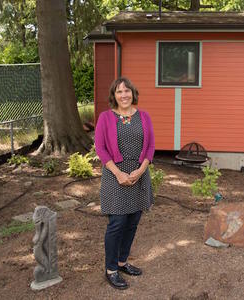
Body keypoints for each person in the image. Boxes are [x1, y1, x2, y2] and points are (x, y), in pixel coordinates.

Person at [94, 77, 155, 290]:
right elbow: (100, 148)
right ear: (114, 96)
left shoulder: (144, 117)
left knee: (132, 222)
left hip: (139, 175)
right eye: (119, 92)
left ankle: (122, 262)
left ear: (133, 93)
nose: (124, 95)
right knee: (117, 224)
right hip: (115, 176)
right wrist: (119, 173)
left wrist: (141, 170)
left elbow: (150, 147)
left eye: (127, 91)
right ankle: (111, 270)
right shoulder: (105, 117)